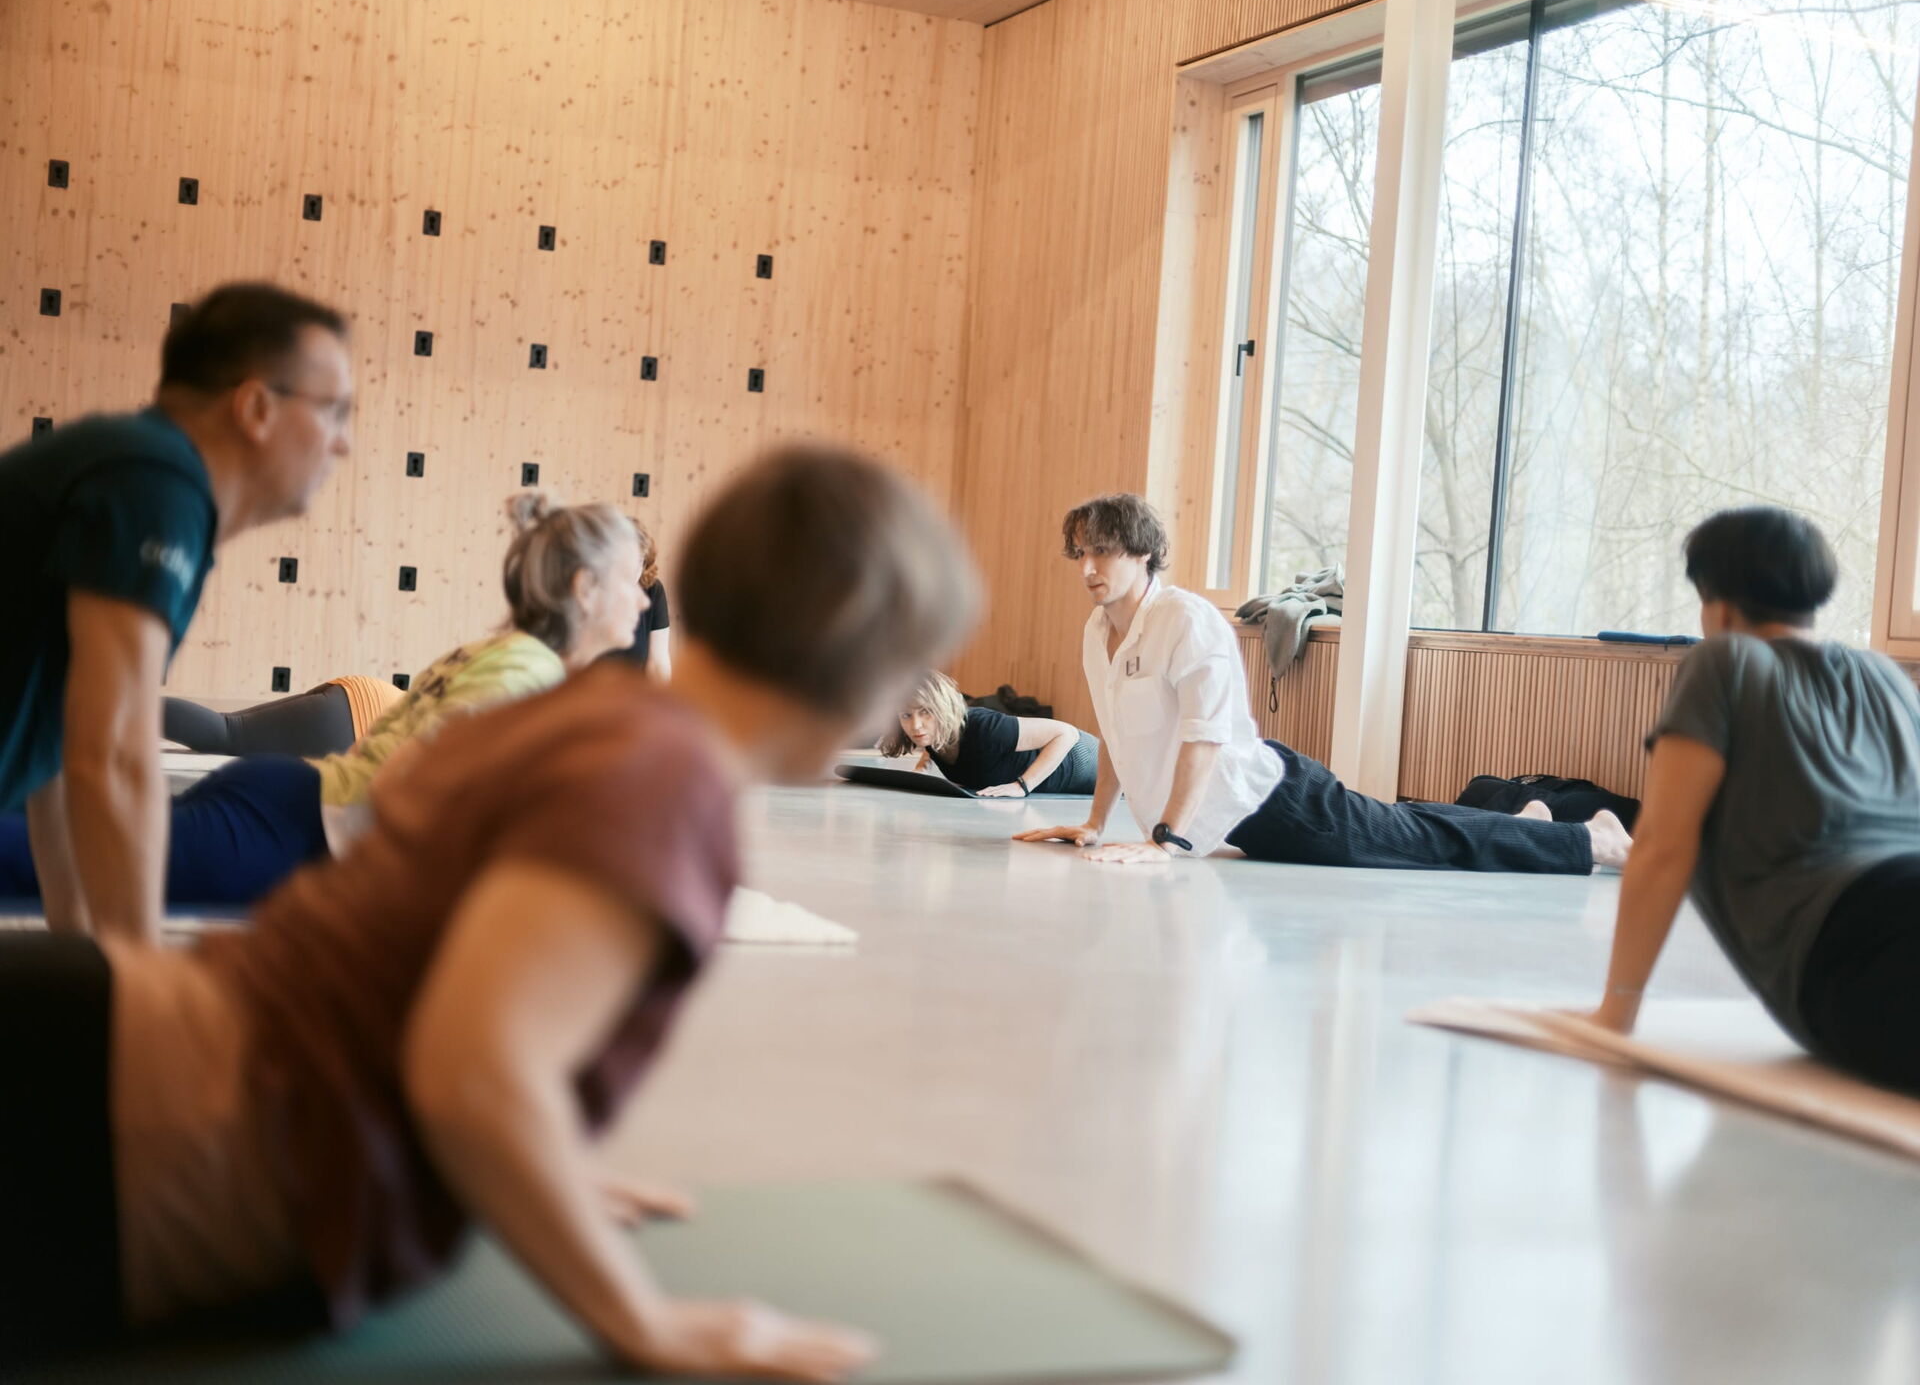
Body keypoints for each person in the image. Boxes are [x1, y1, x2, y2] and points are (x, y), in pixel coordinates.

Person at [0, 446, 980, 1378]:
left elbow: (425, 968)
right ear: (855, 654)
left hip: (119, 1050)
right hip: (152, 1135)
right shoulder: (664, 775)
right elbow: (471, 1077)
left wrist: (537, 1166)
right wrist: (640, 1319)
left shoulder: (590, 720)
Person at [0, 493, 643, 906]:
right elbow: (411, 786)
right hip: (291, 826)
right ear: (585, 588)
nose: (643, 600)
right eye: (629, 582)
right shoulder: (528, 674)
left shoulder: (500, 653)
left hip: (291, 804)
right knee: (44, 861)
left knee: (57, 850)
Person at [1014, 493, 1632, 871]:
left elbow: (1203, 737)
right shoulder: (1098, 633)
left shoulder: (1185, 619)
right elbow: (1117, 737)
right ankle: (1528, 823)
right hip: (1221, 824)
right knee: (1410, 830)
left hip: (1270, 801)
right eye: (1080, 555)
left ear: (1142, 552)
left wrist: (1165, 840)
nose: (1089, 568)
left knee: (1417, 843)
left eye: (1103, 551)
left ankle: (1591, 840)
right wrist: (1096, 824)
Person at [0, 283, 353, 942]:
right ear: (255, 406)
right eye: (335, 411)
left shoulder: (148, 479)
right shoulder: (156, 484)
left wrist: (91, 964)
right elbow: (111, 756)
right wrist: (139, 990)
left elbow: (62, 756)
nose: (344, 444)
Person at [1576, 507, 1920, 1093]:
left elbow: (1661, 845)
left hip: (1854, 943)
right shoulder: (1884, 677)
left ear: (1717, 603)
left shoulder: (1725, 659)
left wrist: (1616, 1013)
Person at [879, 671, 1098, 796]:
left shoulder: (984, 727)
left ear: (941, 708)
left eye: (925, 712)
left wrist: (1023, 786)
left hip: (1085, 760)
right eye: (906, 715)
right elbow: (930, 744)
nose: (916, 725)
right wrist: (922, 769)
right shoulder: (931, 735)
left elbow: (1066, 733)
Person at [161, 676, 404, 758]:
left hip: (363, 693)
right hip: (358, 727)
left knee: (227, 727)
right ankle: (126, 707)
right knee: (226, 734)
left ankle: (127, 707)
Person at [606, 518, 672, 680]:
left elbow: (658, 662)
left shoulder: (652, 590)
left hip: (633, 694)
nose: (634, 570)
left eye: (640, 562)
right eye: (626, 562)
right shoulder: (590, 592)